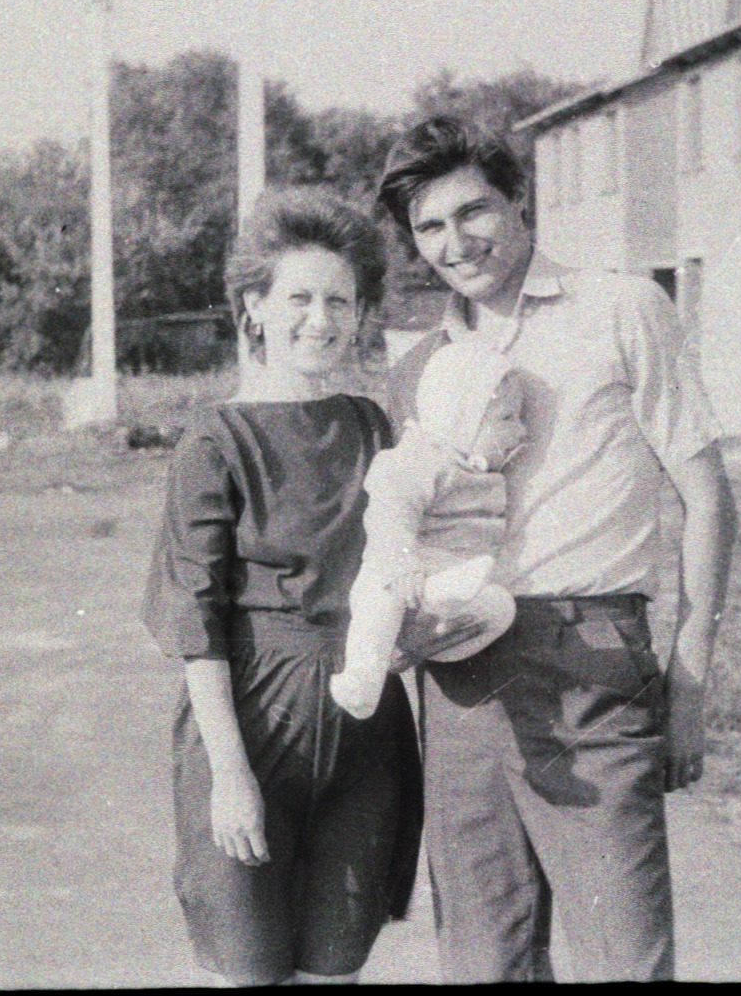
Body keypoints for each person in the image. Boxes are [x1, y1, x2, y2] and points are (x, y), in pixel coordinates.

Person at [375, 116, 738, 983]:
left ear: (517, 199)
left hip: (590, 661)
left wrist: (689, 676)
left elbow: (708, 497)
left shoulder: (621, 308)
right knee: (483, 962)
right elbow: (408, 523)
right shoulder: (421, 364)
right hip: (459, 675)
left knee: (624, 960)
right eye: (430, 226)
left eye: (473, 211)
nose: (456, 242)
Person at [140, 187, 421, 987]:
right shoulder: (214, 440)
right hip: (252, 729)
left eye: (340, 300)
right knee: (249, 970)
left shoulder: (372, 426)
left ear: (360, 313)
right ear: (253, 307)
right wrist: (230, 773)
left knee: (336, 969)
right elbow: (196, 625)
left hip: (366, 739)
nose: (319, 319)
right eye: (298, 297)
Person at [328, 340, 527, 720]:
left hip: (452, 588)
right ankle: (362, 680)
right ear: (461, 417)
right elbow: (390, 513)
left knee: (502, 607)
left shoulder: (480, 472)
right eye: (507, 418)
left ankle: (442, 596)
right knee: (378, 593)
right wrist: (402, 564)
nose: (520, 430)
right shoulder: (417, 459)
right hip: (406, 570)